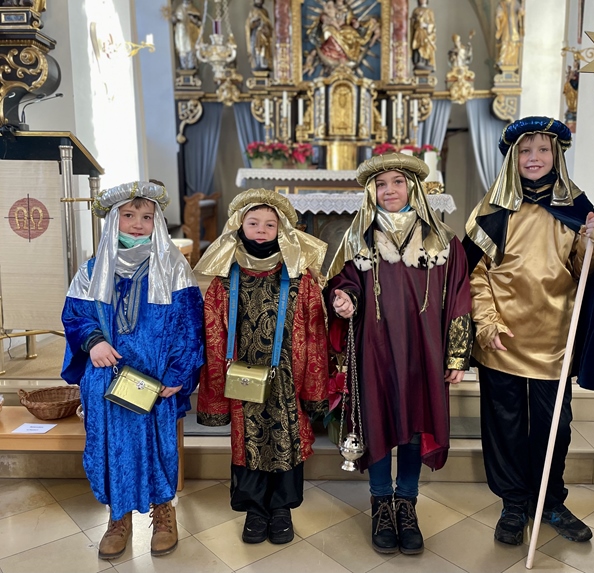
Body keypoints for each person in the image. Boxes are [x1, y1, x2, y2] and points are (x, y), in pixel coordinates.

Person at [462, 117, 594, 546]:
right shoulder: (491, 210)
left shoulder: (579, 207)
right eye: (525, 151)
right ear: (514, 157)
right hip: (502, 341)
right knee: (506, 426)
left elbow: (581, 270)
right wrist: (486, 322)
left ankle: (550, 501)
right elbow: (475, 275)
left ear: (557, 155)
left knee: (556, 426)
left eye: (543, 150)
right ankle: (514, 503)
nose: (534, 158)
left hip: (554, 339)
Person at [326, 153, 473, 555]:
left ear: (414, 187)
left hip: (423, 351)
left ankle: (406, 505)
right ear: (371, 191)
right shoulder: (358, 239)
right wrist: (343, 299)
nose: (389, 190)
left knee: (414, 423)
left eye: (398, 182)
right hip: (375, 349)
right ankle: (379, 503)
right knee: (376, 420)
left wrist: (456, 354)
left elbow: (460, 297)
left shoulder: (442, 241)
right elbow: (345, 281)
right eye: (381, 184)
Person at [61, 181, 204, 560]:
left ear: (157, 222)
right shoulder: (92, 270)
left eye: (146, 216)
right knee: (112, 447)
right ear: (113, 221)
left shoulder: (174, 268)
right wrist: (93, 341)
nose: (138, 224)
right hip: (107, 379)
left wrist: (178, 373)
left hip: (154, 382)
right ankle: (118, 517)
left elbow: (191, 326)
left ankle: (163, 512)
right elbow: (75, 315)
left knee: (158, 445)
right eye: (128, 216)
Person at [194, 189, 329, 545]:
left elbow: (314, 334)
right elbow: (213, 333)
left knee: (286, 436)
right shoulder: (224, 279)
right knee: (247, 439)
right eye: (253, 222)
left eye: (270, 224)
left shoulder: (301, 278)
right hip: (241, 378)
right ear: (239, 225)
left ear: (282, 230)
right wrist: (216, 382)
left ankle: (282, 507)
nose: (261, 229)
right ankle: (254, 508)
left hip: (288, 376)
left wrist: (314, 387)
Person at [246, 0, 273, 71]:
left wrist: (265, 23)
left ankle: (263, 63)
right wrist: (254, 21)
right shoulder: (252, 11)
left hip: (263, 34)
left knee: (264, 49)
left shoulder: (265, 11)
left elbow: (268, 24)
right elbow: (248, 25)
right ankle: (257, 63)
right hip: (255, 35)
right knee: (256, 49)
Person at [411, 0, 436, 71]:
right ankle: (418, 61)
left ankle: (426, 62)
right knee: (417, 46)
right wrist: (417, 24)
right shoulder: (415, 11)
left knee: (426, 46)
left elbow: (432, 24)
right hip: (418, 33)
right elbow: (412, 24)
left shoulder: (429, 11)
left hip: (426, 34)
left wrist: (426, 25)